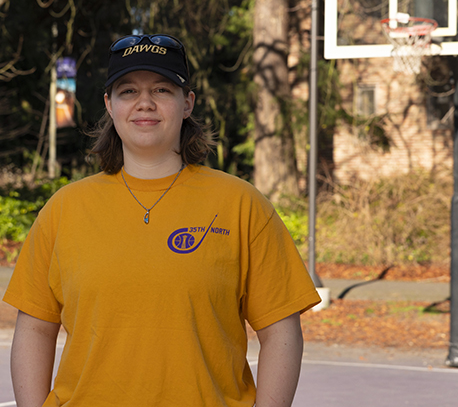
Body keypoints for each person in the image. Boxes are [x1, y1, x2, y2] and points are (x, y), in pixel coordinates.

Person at [3, 33, 321, 407]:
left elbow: (281, 330)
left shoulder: (240, 204)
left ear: (187, 104)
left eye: (162, 90)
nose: (145, 104)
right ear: (109, 104)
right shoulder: (64, 209)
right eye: (127, 91)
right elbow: (35, 330)